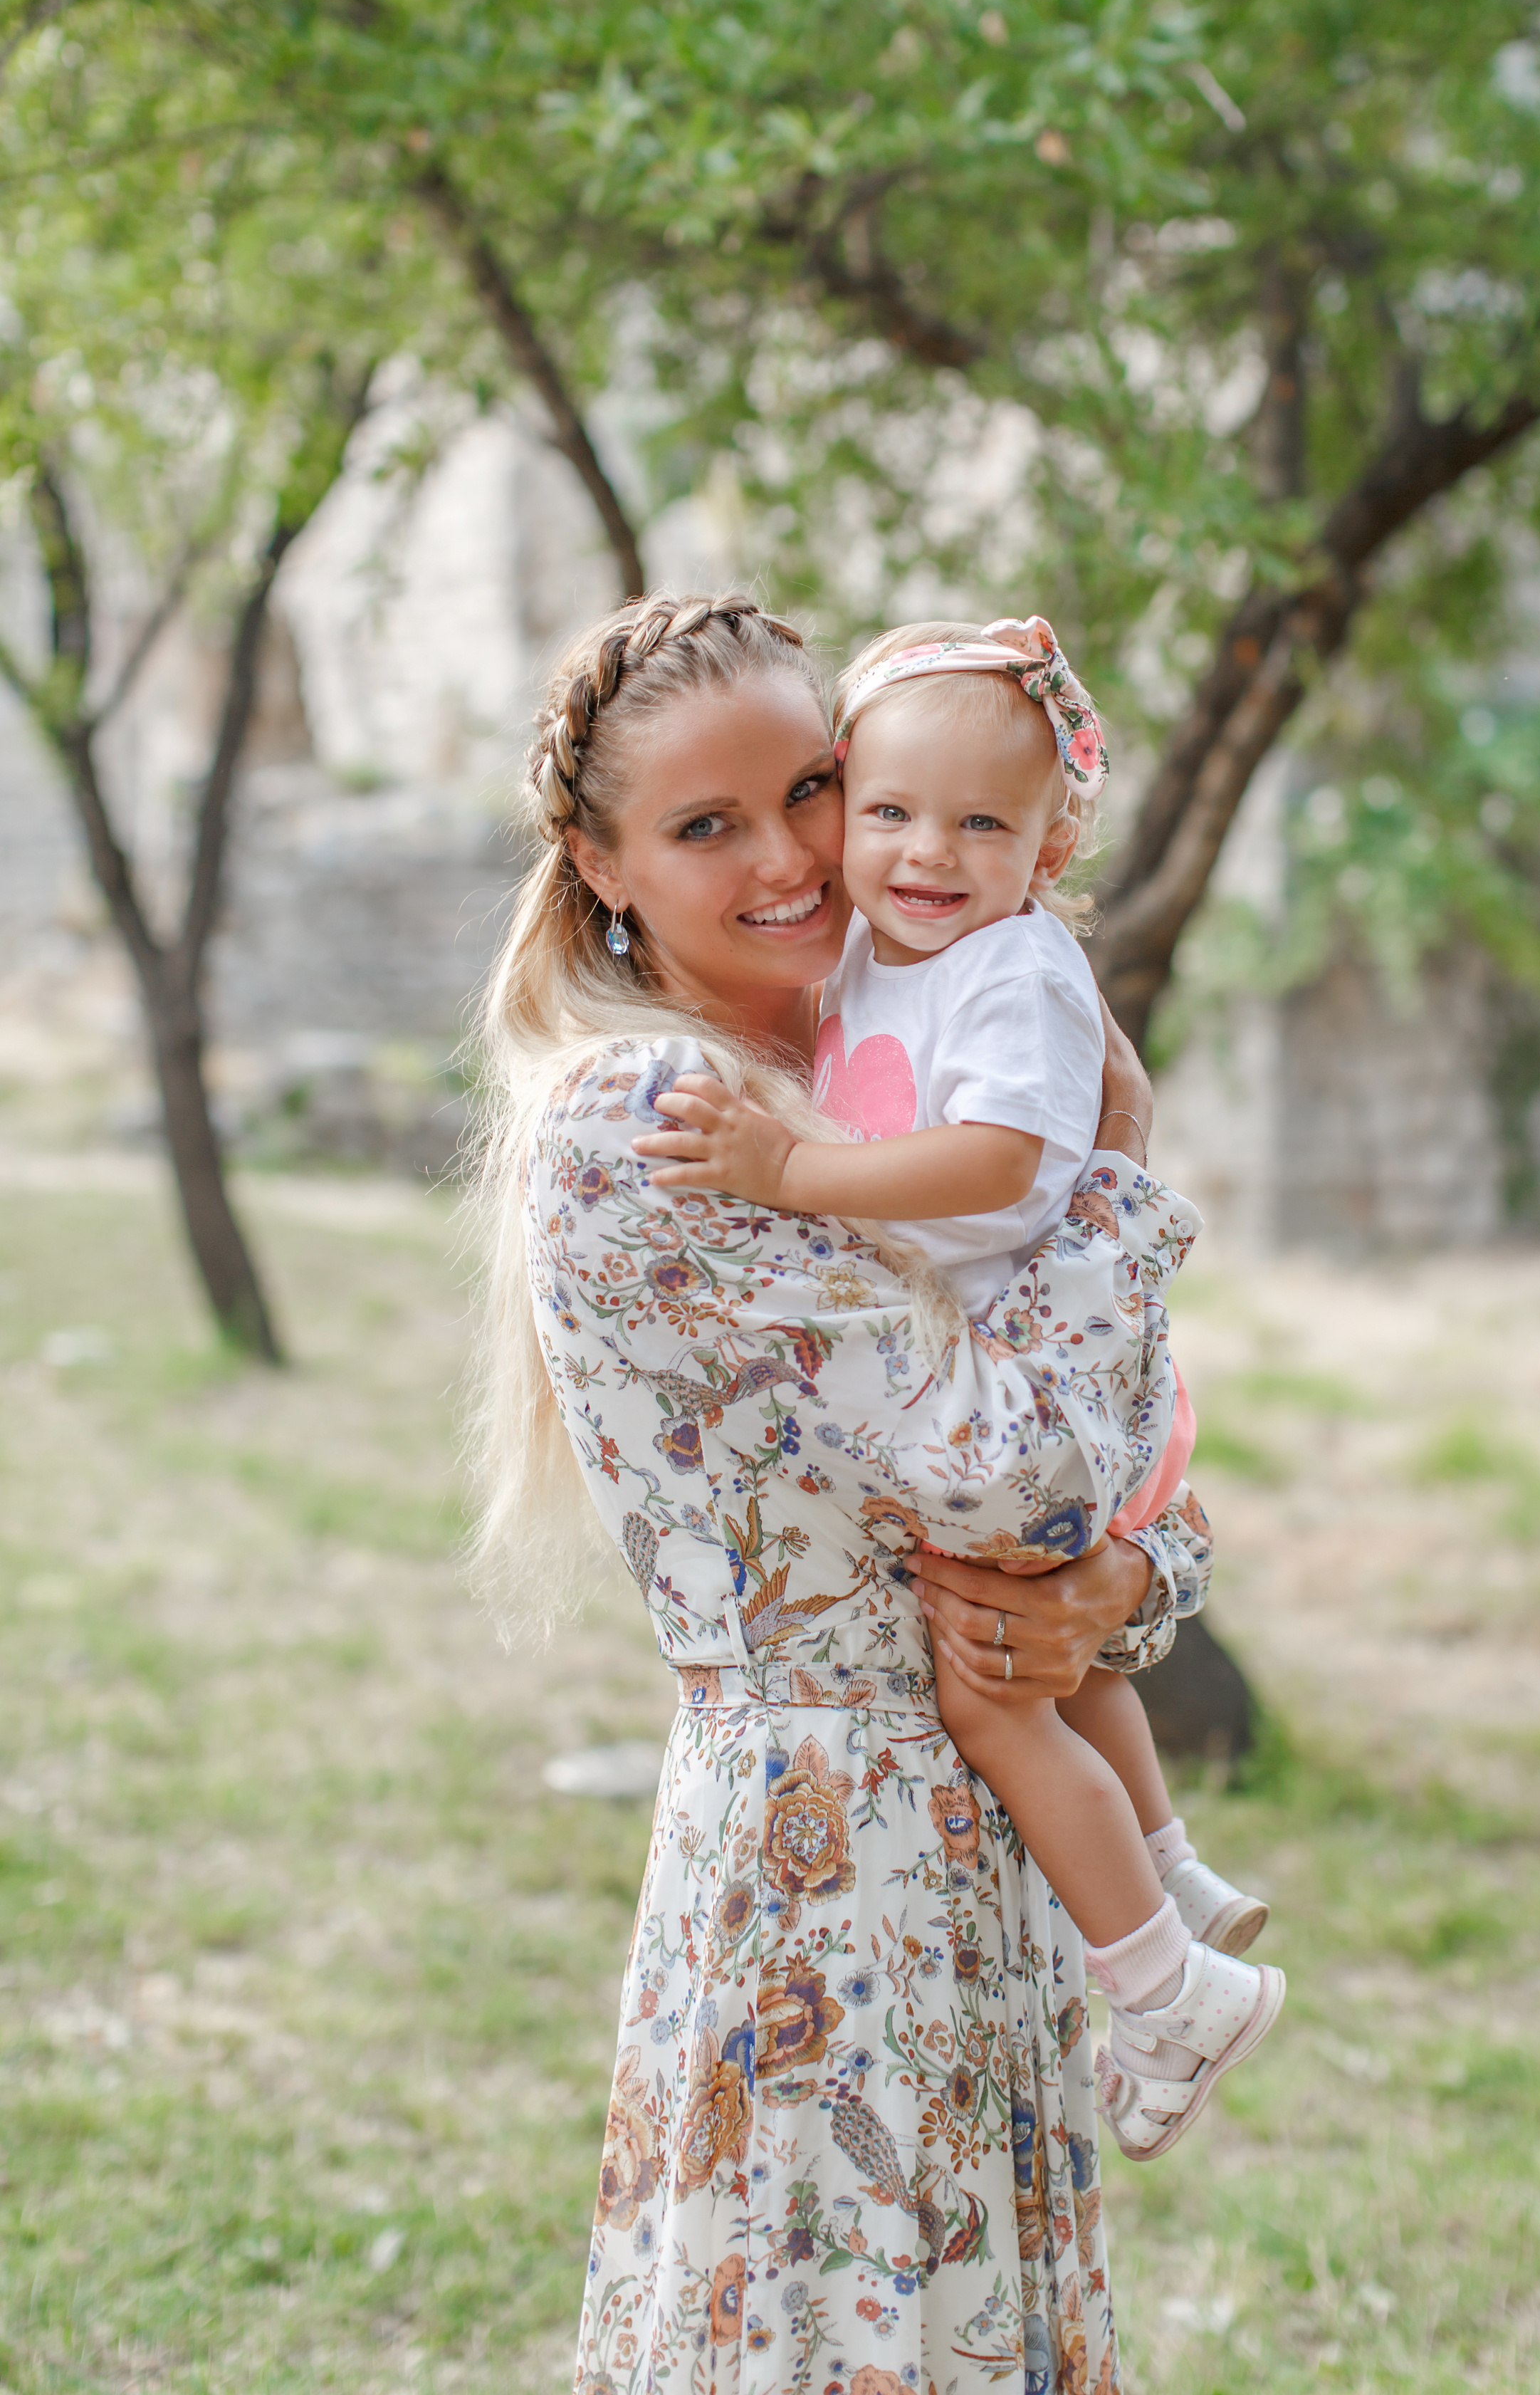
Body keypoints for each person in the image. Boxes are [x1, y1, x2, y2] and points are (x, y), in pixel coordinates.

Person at [469, 592, 1224, 2395]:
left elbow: (1108, 1498)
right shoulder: (654, 1126)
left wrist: (1125, 1594)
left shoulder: (867, 1084)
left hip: (973, 1842)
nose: (797, 858)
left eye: (811, 788)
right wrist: (1115, 1174)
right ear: (603, 868)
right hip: (837, 1874)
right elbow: (1016, 1471)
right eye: (705, 826)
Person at [632, 616, 1283, 2166]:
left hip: (1047, 1373)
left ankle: (1163, 1989)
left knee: (992, 1692)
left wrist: (790, 1169)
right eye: (888, 812)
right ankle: (1168, 1869)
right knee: (1053, 1662)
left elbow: (999, 1165)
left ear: (1051, 847)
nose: (927, 852)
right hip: (994, 1368)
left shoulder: (1015, 968)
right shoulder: (877, 947)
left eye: (981, 823)